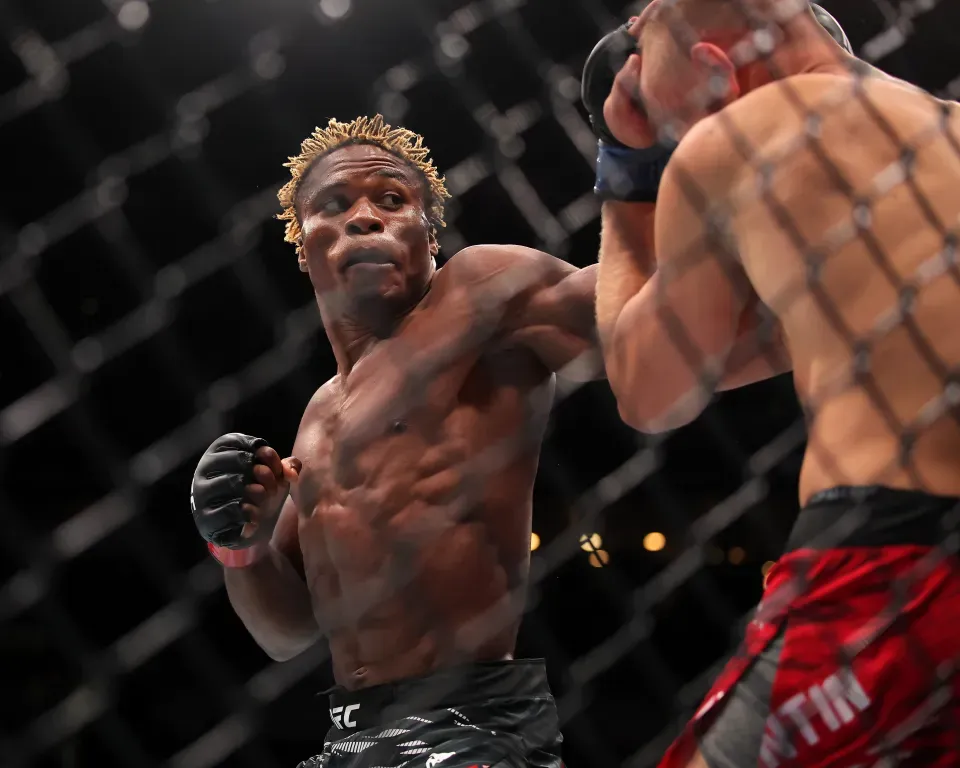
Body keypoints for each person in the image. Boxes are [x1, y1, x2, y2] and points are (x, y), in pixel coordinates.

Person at [586, 0, 960, 766]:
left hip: (897, 565)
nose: (671, 136)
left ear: (714, 73)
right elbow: (763, 343)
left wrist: (629, 175)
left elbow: (649, 391)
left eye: (664, 115)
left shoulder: (735, 140)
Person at [188, 114, 606, 768]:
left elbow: (636, 316)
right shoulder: (317, 416)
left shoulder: (481, 294)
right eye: (334, 204)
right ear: (302, 245)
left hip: (469, 726)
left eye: (390, 199)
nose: (364, 217)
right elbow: (285, 633)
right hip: (348, 736)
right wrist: (238, 547)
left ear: (429, 234)